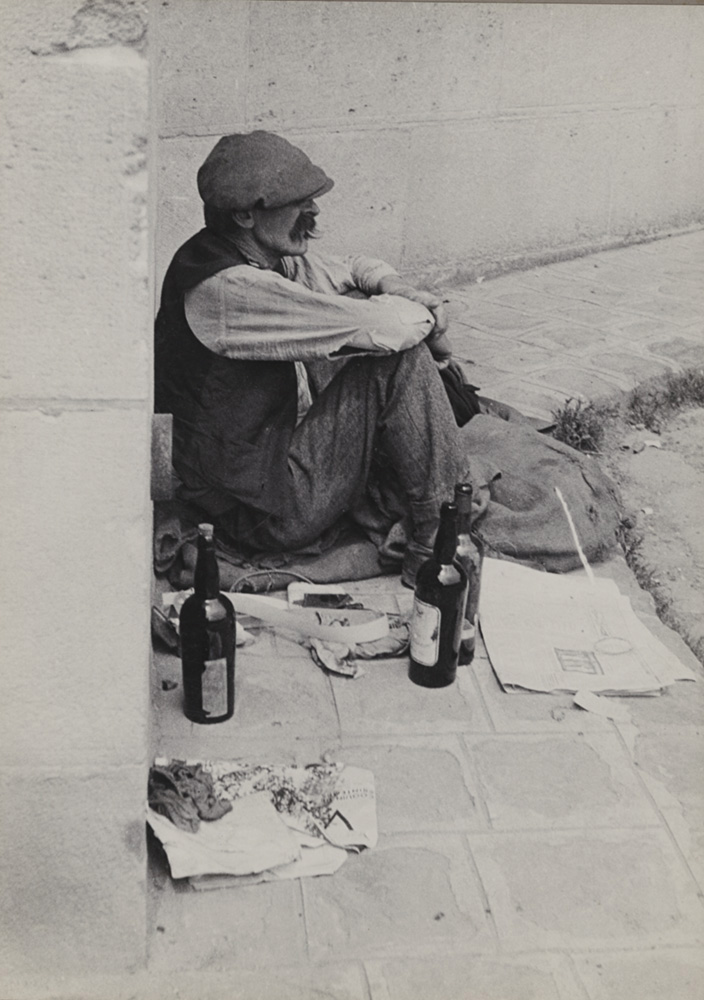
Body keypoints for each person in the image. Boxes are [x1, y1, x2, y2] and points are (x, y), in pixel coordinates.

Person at [155, 130, 471, 586]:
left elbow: (354, 267)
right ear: (245, 214)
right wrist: (431, 320)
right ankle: (437, 546)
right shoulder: (231, 291)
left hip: (257, 479)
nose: (315, 211)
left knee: (360, 311)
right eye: (298, 201)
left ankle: (433, 504)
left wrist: (399, 289)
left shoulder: (256, 254)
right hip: (259, 512)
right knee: (396, 360)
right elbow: (394, 330)